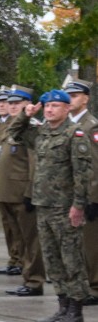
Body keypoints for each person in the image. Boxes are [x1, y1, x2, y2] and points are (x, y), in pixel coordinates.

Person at [8, 89, 89, 322]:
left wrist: (78, 206)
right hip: (43, 204)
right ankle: (62, 306)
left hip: (64, 207)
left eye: (55, 106)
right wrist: (26, 113)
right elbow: (14, 133)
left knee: (71, 259)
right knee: (52, 260)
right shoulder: (42, 133)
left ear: (66, 109)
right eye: (47, 106)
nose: (50, 110)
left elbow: (82, 174)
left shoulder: (75, 134)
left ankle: (76, 311)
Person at [0, 85, 45, 296]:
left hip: (22, 192)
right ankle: (26, 276)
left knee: (29, 239)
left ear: (27, 105)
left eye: (17, 103)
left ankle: (34, 280)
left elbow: (34, 162)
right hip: (5, 191)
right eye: (10, 103)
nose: (12, 106)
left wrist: (30, 191)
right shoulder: (6, 126)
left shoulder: (32, 126)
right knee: (18, 238)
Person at [65, 79, 98, 304]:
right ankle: (79, 285)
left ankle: (94, 287)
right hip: (68, 195)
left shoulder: (91, 126)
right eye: (68, 95)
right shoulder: (65, 124)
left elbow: (95, 165)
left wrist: (93, 198)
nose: (70, 99)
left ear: (85, 98)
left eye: (75, 95)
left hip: (87, 196)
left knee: (90, 245)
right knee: (72, 245)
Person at [0, 86, 23, 276]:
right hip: (3, 181)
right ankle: (14, 258)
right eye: (0, 102)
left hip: (16, 183)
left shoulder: (18, 123)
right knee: (8, 225)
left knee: (21, 227)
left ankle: (22, 260)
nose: (3, 105)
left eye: (7, 102)